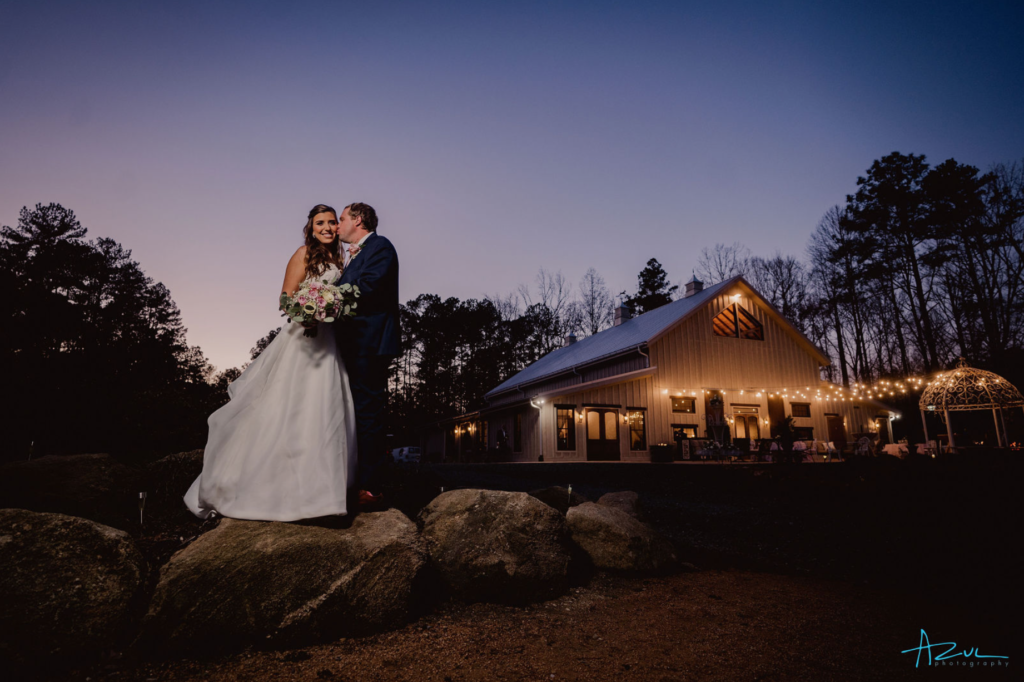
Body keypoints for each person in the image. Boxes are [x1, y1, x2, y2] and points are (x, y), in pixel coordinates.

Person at [184, 205, 358, 521]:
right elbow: (286, 297)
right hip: (301, 339)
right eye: (321, 222)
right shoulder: (303, 253)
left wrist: (331, 310)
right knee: (286, 407)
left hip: (328, 341)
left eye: (333, 222)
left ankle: (322, 498)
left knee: (324, 409)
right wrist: (307, 314)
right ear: (311, 227)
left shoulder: (340, 261)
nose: (328, 227)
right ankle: (265, 489)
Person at [334, 202, 400, 506]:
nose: (337, 225)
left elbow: (369, 287)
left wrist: (328, 297)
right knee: (352, 412)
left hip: (369, 344)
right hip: (351, 344)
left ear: (358, 220)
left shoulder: (380, 247)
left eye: (342, 219)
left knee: (368, 414)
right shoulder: (352, 256)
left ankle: (372, 488)